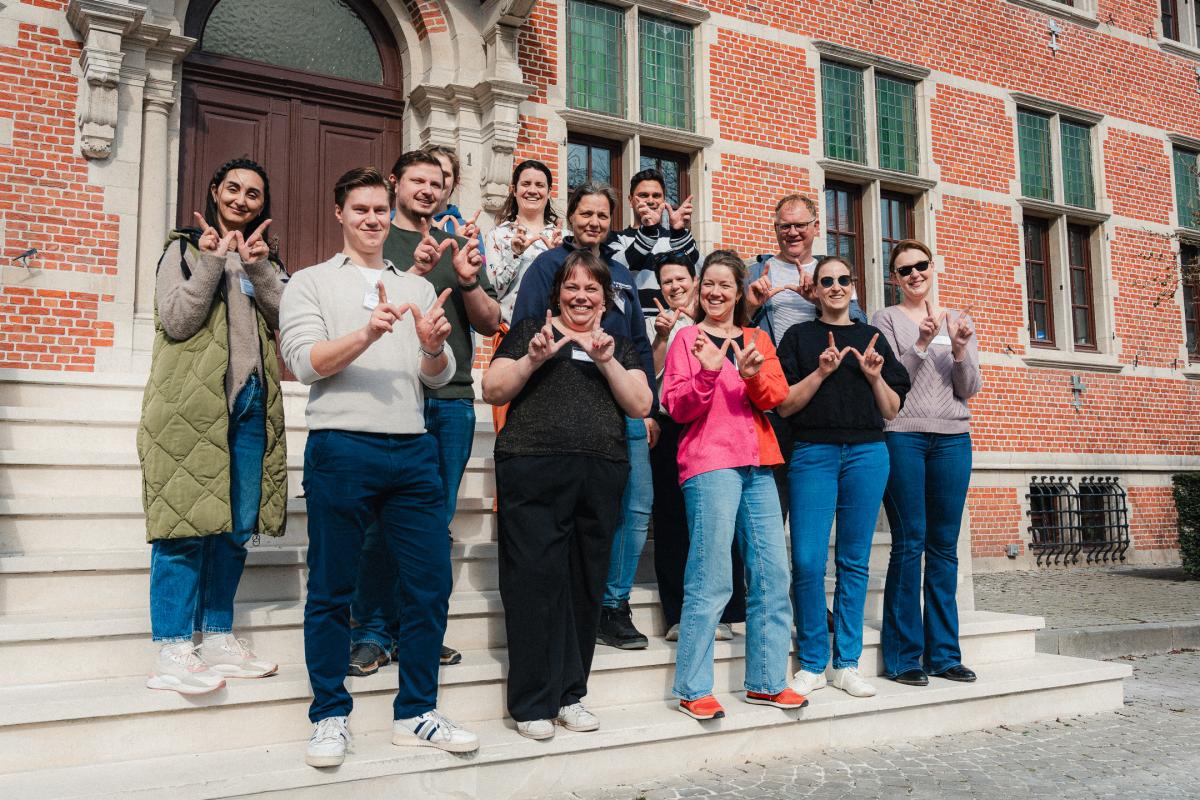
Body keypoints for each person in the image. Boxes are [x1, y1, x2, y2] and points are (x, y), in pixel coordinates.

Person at [280, 166, 478, 767]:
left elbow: (437, 377)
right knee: (332, 589)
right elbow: (305, 362)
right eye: (359, 209)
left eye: (377, 210)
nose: (370, 219)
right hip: (342, 448)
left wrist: (436, 346)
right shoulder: (310, 283)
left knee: (429, 586)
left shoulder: (416, 288)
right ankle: (329, 715)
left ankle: (416, 711)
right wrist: (367, 331)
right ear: (340, 214)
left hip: (413, 446)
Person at [483, 249, 652, 740]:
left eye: (591, 288)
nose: (581, 296)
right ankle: (533, 702)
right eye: (572, 287)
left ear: (605, 297)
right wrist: (533, 359)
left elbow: (641, 402)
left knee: (584, 583)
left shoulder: (616, 342)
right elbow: (494, 388)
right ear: (559, 292)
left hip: (600, 471)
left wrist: (606, 363)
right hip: (532, 465)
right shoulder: (532, 328)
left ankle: (570, 694)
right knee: (533, 584)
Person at [347, 149, 499, 676]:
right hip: (393, 394)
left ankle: (418, 630)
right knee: (379, 524)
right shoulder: (373, 235)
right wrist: (416, 269)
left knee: (431, 527)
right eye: (418, 180)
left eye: (437, 183)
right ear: (395, 182)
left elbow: (489, 321)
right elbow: (362, 313)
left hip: (452, 397)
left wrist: (467, 279)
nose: (429, 190)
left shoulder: (462, 239)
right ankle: (370, 631)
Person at [138, 157, 287, 695]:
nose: (242, 200)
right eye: (233, 189)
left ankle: (219, 635)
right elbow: (177, 320)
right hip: (190, 408)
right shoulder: (180, 249)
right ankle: (174, 646)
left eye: (253, 193)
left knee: (233, 528)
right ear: (214, 192)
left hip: (249, 405)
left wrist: (261, 268)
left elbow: (288, 320)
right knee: (184, 525)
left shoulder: (261, 257)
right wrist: (209, 261)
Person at [511, 182, 658, 650]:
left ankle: (612, 605)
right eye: (585, 213)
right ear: (570, 217)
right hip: (560, 402)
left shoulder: (621, 276)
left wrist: (649, 404)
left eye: (602, 215)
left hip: (621, 397)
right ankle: (574, 602)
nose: (593, 222)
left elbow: (636, 341)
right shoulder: (547, 265)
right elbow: (528, 328)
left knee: (635, 507)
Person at [662, 250, 804, 721]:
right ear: (700, 289)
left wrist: (752, 374)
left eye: (725, 284)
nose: (715, 292)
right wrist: (707, 370)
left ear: (739, 290)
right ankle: (693, 687)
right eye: (709, 284)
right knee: (711, 576)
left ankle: (766, 681)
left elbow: (777, 398)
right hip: (709, 464)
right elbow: (678, 407)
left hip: (760, 463)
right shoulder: (687, 338)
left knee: (772, 575)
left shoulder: (757, 337)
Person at [776, 256, 910, 699]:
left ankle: (846, 663)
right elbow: (784, 406)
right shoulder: (798, 337)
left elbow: (891, 409)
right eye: (826, 281)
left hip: (868, 454)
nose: (835, 286)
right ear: (813, 290)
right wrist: (821, 371)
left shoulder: (873, 338)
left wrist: (873, 377)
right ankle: (813, 661)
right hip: (813, 453)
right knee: (810, 561)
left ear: (853, 286)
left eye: (843, 279)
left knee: (854, 562)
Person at [597, 167, 700, 649]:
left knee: (651, 505)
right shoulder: (617, 242)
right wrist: (667, 232)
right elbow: (636, 256)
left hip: (665, 373)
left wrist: (677, 234)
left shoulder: (683, 244)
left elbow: (688, 269)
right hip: (634, 360)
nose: (650, 202)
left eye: (657, 196)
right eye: (642, 196)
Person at [871, 240, 981, 686]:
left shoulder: (958, 320)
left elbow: (969, 387)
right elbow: (893, 380)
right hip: (904, 436)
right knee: (910, 541)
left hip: (953, 439)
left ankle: (944, 653)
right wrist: (919, 343)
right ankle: (903, 657)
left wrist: (957, 350)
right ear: (894, 279)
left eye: (920, 266)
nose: (914, 274)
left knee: (943, 546)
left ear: (933, 268)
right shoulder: (885, 319)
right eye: (904, 270)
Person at [744, 194, 866, 521]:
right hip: (771, 397)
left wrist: (819, 302)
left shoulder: (833, 274)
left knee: (813, 511)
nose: (793, 232)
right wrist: (753, 305)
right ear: (775, 228)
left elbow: (860, 327)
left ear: (816, 228)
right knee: (771, 505)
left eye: (800, 225)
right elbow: (730, 327)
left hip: (820, 397)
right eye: (785, 226)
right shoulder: (756, 271)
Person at [648, 252, 746, 642]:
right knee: (671, 520)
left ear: (695, 281)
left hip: (718, 427)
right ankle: (677, 611)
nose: (674, 286)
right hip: (670, 422)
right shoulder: (658, 323)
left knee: (720, 522)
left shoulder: (716, 321)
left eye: (681, 279)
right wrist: (660, 334)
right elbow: (647, 372)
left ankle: (726, 610)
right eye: (666, 281)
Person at [484, 159, 563, 433]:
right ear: (513, 189)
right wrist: (514, 254)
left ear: (549, 191)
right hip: (512, 335)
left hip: (556, 338)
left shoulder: (563, 237)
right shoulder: (498, 236)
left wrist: (558, 258)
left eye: (540, 185)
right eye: (526, 184)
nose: (533, 190)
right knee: (509, 423)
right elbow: (494, 289)